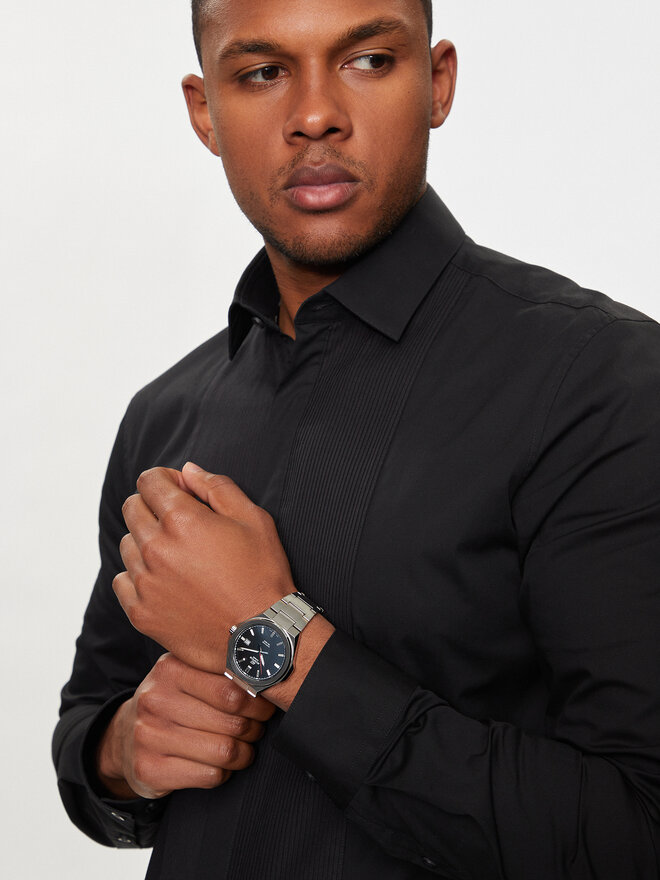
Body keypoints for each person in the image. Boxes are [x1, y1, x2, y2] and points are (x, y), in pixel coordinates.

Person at [53, 0, 660, 877]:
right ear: (204, 111)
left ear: (437, 83)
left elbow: (637, 831)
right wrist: (123, 750)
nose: (314, 115)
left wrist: (273, 640)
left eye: (368, 60)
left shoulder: (600, 384)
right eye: (263, 72)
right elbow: (89, 733)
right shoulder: (165, 415)